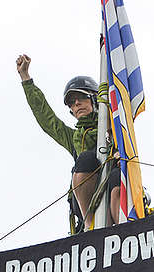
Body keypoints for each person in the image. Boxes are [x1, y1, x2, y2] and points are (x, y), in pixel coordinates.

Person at [15, 54, 120, 227]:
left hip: (116, 190)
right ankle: (91, 226)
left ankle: (126, 229)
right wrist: (26, 77)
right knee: (85, 159)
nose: (76, 103)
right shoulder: (74, 138)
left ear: (94, 98)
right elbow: (47, 118)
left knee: (117, 175)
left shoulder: (115, 124)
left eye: (81, 97)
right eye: (71, 102)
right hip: (88, 203)